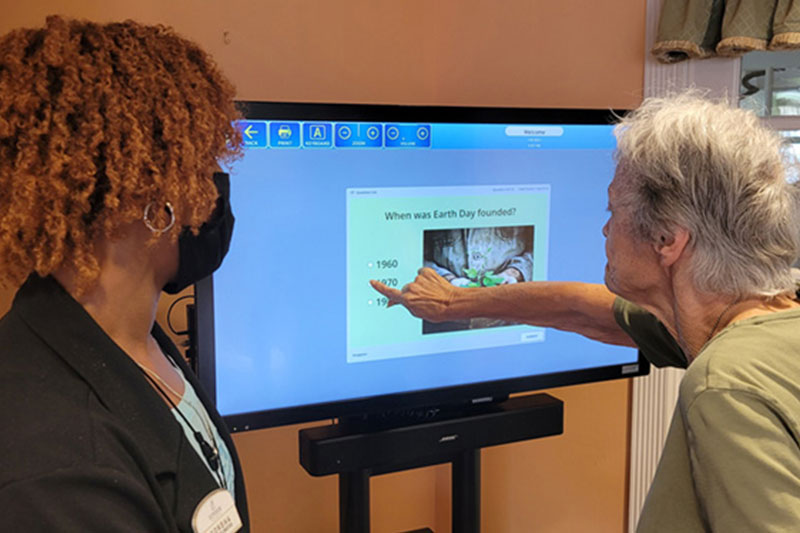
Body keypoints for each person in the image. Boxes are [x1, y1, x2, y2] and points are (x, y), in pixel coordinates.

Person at [372, 93, 800, 532]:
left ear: (668, 241)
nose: (604, 228)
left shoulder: (725, 387)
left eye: (613, 210)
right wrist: (453, 303)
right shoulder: (770, 314)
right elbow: (580, 308)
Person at [0, 17, 249, 531]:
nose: (213, 190)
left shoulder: (130, 339)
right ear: (149, 200)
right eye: (200, 164)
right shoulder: (59, 467)